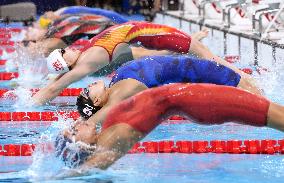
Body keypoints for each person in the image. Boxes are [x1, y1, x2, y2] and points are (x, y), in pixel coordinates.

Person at [55, 83, 284, 170]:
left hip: (195, 98)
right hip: (201, 101)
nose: (76, 123)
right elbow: (85, 171)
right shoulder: (109, 144)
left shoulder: (106, 131)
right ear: (82, 147)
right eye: (74, 132)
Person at [32, 21, 260, 106]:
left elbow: (138, 53)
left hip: (160, 36)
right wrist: (30, 105)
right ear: (65, 65)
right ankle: (251, 83)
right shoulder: (86, 62)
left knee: (206, 58)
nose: (66, 48)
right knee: (214, 61)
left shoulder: (88, 52)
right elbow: (55, 87)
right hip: (162, 34)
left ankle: (249, 83)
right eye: (63, 53)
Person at [76, 55, 255, 121]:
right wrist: (85, 123)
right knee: (251, 91)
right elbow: (110, 109)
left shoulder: (115, 84)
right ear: (97, 101)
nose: (87, 86)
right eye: (87, 92)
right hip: (196, 71)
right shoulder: (120, 92)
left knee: (249, 89)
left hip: (191, 67)